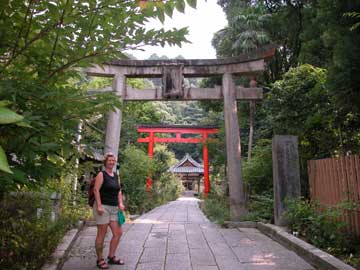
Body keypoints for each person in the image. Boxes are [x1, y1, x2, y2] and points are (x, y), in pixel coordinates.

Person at [93, 152, 125, 269]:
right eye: (109, 160)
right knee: (102, 234)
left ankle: (111, 257)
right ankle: (99, 259)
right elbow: (96, 190)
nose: (111, 162)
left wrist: (120, 203)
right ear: (105, 162)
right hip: (103, 207)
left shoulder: (116, 175)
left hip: (114, 208)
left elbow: (119, 191)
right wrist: (99, 206)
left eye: (113, 160)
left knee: (118, 233)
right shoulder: (101, 174)